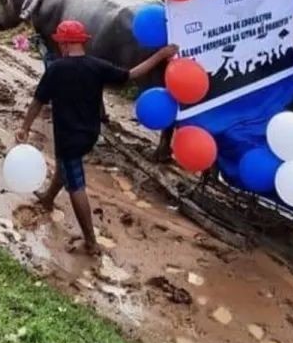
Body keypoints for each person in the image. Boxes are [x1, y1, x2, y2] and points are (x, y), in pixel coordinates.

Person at [17, 19, 177, 256]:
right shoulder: (97, 66)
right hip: (90, 133)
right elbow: (131, 74)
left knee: (76, 186)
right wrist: (161, 54)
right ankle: (49, 198)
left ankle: (91, 241)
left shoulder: (56, 70)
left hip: (67, 134)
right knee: (66, 166)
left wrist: (25, 127)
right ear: (82, 42)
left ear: (65, 44)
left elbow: (38, 101)